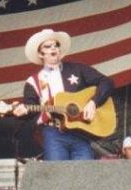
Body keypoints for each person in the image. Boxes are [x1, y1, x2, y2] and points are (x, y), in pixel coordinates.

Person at [11, 28, 114, 161]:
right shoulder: (33, 82)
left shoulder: (77, 69)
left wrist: (93, 102)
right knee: (58, 175)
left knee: (85, 175)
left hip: (81, 132)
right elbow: (30, 107)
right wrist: (19, 110)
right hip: (53, 133)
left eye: (56, 45)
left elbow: (107, 82)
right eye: (48, 46)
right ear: (40, 54)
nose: (53, 48)